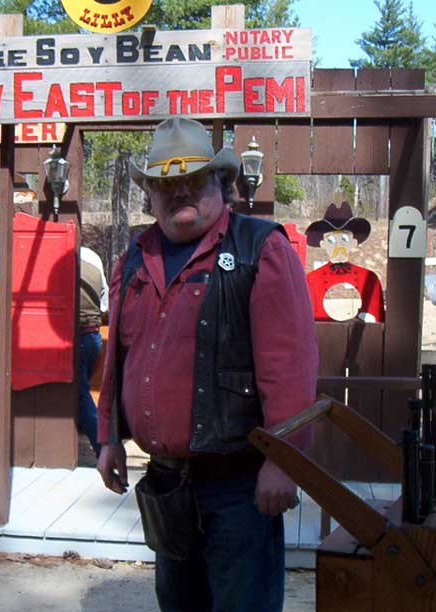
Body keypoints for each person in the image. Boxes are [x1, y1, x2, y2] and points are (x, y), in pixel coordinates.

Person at [95, 117, 318, 612]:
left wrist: (283, 461)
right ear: (150, 193)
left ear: (221, 183)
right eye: (165, 185)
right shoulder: (136, 254)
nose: (179, 194)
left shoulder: (262, 248)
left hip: (240, 488)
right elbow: (119, 355)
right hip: (167, 481)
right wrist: (108, 435)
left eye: (192, 181)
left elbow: (290, 367)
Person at [78, 245, 109, 458]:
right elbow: (105, 305)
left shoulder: (61, 266)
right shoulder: (93, 262)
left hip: (76, 336)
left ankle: (103, 447)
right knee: (81, 393)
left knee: (80, 395)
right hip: (94, 335)